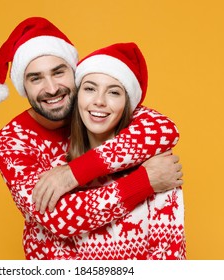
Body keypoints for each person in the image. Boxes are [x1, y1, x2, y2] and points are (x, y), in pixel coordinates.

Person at [0, 17, 182, 260]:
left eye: (59, 73)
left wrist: (73, 173)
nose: (51, 88)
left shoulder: (97, 112)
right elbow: (59, 218)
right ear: (23, 86)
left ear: (75, 73)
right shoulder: (10, 142)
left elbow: (164, 129)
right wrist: (145, 180)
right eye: (36, 78)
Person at [33, 43, 185, 259]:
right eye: (89, 88)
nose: (99, 101)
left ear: (128, 105)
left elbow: (168, 256)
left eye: (114, 92)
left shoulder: (157, 169)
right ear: (77, 98)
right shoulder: (54, 173)